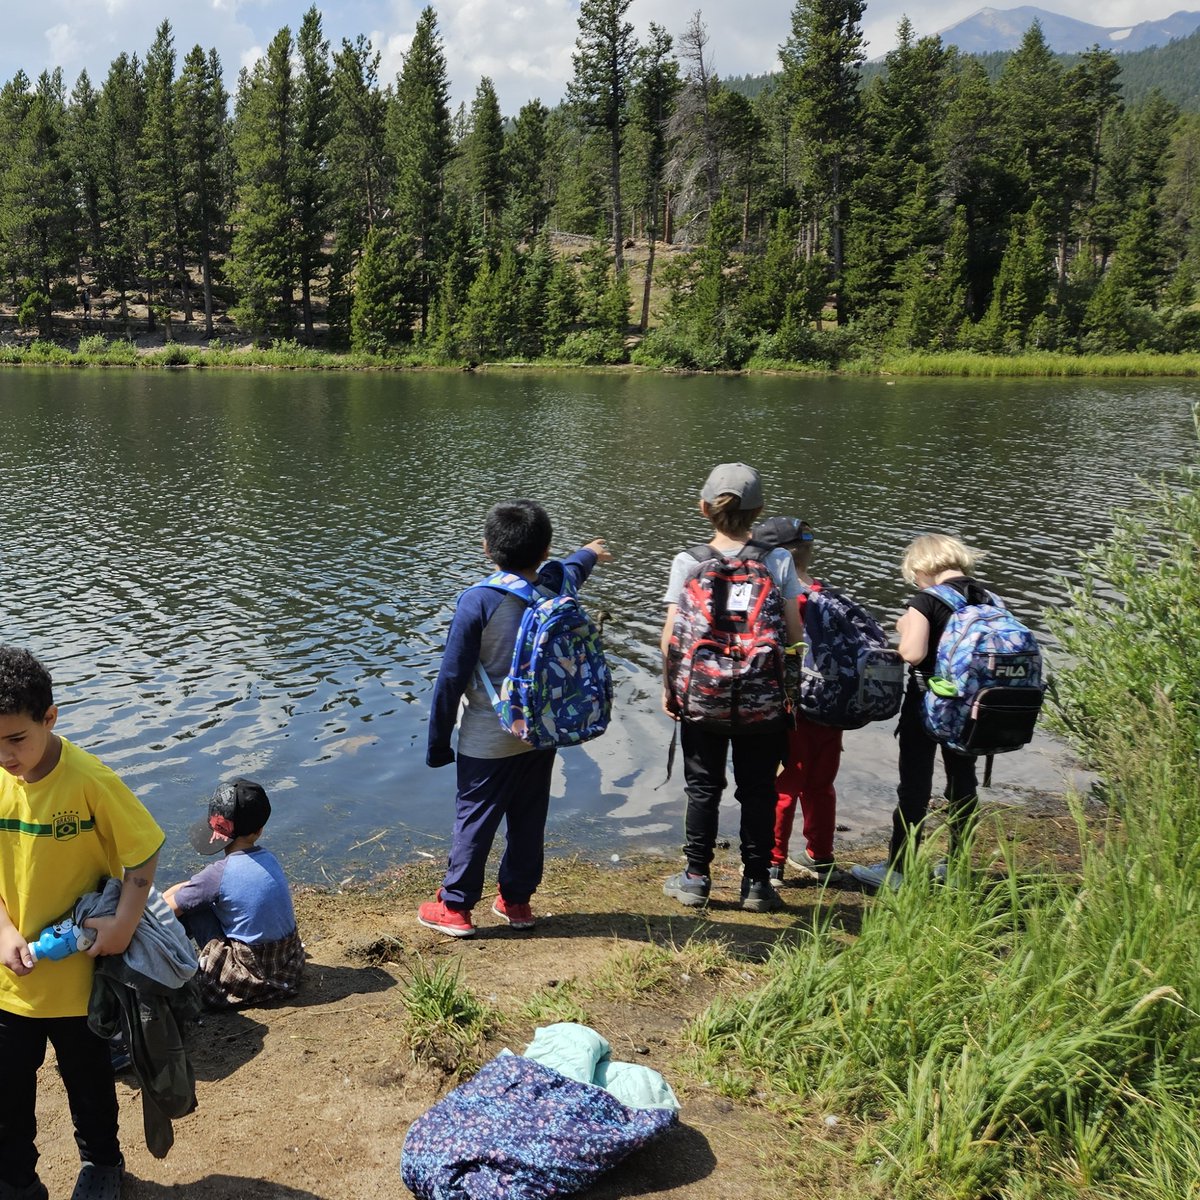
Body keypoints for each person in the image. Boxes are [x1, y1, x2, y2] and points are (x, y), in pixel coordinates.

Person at [0, 645, 163, 1200]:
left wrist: (121, 924)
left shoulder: (89, 779)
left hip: (81, 978)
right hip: (11, 979)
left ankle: (102, 1163)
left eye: (17, 739)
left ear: (50, 718)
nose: (6, 755)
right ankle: (17, 1180)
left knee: (89, 1081)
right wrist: (3, 930)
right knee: (6, 1094)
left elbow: (141, 853)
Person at [419, 500, 611, 938]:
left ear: (488, 549)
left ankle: (456, 907)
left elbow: (451, 679)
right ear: (545, 551)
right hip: (541, 731)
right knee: (528, 816)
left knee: (475, 816)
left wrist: (437, 743)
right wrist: (590, 552)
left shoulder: (478, 601)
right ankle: (517, 901)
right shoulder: (555, 586)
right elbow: (574, 566)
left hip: (488, 735)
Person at [660, 464, 804, 913]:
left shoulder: (688, 560)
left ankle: (696, 878)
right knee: (758, 789)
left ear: (704, 508)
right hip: (763, 702)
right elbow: (795, 635)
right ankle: (757, 883)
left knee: (703, 787)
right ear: (758, 511)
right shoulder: (776, 560)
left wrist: (672, 690)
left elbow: (670, 638)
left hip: (702, 696)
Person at [850, 534, 984, 891]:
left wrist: (906, 625)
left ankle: (899, 869)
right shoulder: (986, 597)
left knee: (914, 786)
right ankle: (957, 867)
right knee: (962, 784)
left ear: (923, 566)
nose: (916, 581)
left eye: (914, 575)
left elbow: (911, 653)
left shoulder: (928, 599)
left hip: (928, 705)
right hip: (971, 708)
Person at [750, 516, 845, 887]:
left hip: (794, 707)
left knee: (784, 784)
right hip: (831, 707)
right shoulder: (829, 596)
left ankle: (773, 862)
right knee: (821, 783)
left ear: (777, 559)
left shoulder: (787, 599)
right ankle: (820, 857)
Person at [163, 778, 304, 1009]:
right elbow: (194, 888)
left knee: (193, 908)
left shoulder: (219, 874)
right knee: (194, 892)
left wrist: (148, 906)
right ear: (259, 830)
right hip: (286, 972)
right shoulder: (269, 859)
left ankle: (171, 968)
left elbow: (171, 907)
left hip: (245, 980)